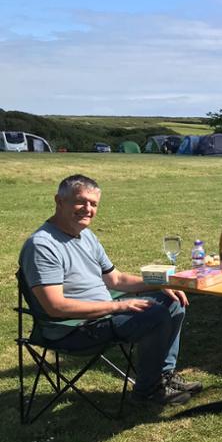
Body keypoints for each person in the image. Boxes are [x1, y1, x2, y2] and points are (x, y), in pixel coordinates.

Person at [18, 174, 202, 406]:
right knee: (156, 314)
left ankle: (163, 377)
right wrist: (118, 306)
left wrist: (163, 284)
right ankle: (148, 391)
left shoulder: (86, 236)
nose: (87, 209)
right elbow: (56, 307)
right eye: (80, 201)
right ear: (59, 201)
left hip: (104, 315)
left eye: (93, 204)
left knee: (173, 301)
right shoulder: (42, 246)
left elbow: (116, 279)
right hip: (74, 328)